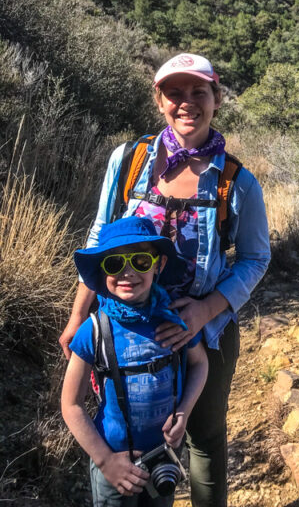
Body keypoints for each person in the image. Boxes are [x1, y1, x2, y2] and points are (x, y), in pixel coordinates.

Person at [59, 52, 271, 507]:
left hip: (205, 333)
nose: (186, 103)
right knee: (126, 429)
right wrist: (79, 315)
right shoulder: (130, 161)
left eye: (199, 92)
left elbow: (255, 259)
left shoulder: (236, 182)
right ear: (159, 100)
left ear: (217, 99)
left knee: (204, 437)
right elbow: (100, 237)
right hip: (123, 325)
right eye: (175, 93)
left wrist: (203, 310)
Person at [61, 215, 209, 507]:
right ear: (102, 272)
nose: (128, 273)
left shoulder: (173, 320)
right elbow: (71, 404)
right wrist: (105, 462)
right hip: (113, 462)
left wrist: (184, 411)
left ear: (159, 264)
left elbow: (200, 364)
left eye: (140, 261)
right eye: (115, 263)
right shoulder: (94, 330)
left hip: (163, 459)